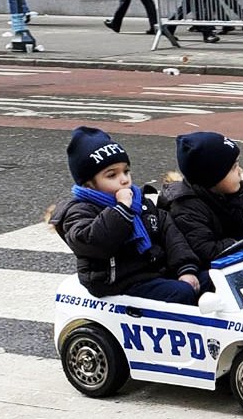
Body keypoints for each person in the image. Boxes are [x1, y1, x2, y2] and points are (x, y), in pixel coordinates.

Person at [49, 127, 206, 304]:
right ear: (88, 184)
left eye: (126, 171)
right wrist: (122, 209)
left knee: (209, 279)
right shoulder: (79, 211)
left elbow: (170, 235)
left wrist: (186, 269)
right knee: (181, 293)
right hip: (118, 280)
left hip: (152, 270)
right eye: (112, 175)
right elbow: (96, 243)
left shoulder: (139, 200)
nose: (124, 179)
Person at [162, 132, 243, 267]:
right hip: (210, 269)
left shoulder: (236, 193)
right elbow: (206, 252)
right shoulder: (186, 208)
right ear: (213, 177)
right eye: (233, 168)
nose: (240, 170)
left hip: (237, 257)